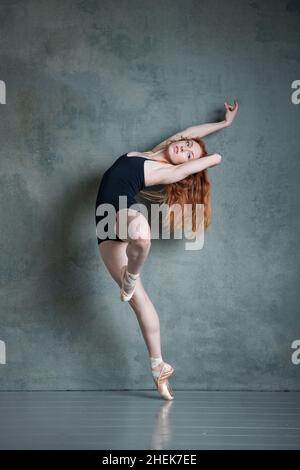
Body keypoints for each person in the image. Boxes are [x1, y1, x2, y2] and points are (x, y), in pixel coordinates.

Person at [95, 100, 239, 400]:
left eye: (188, 155)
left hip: (118, 212)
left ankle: (130, 276)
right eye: (186, 145)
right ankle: (158, 367)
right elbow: (190, 132)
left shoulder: (166, 172)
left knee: (143, 235)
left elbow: (198, 163)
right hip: (104, 228)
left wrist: (213, 158)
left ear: (184, 165)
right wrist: (223, 124)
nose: (184, 149)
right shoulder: (159, 149)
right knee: (140, 303)